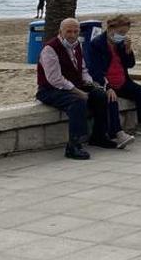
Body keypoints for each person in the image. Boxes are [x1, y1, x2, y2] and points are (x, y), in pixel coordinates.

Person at [36, 18, 130, 160]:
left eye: (75, 31)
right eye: (69, 31)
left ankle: (99, 135)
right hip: (51, 89)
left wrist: (91, 85)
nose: (72, 35)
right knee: (77, 102)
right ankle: (74, 145)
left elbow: (83, 69)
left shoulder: (77, 45)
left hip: (74, 84)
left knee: (101, 95)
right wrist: (77, 91)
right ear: (60, 32)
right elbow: (55, 79)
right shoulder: (50, 49)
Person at [86, 15, 141, 140]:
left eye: (124, 33)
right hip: (107, 82)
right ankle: (116, 132)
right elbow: (94, 69)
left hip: (122, 81)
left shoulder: (120, 44)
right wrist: (107, 86)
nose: (122, 35)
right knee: (112, 100)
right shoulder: (97, 44)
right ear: (110, 29)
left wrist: (128, 50)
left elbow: (130, 64)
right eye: (120, 32)